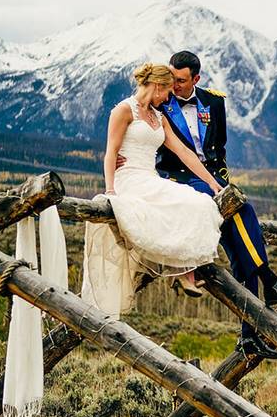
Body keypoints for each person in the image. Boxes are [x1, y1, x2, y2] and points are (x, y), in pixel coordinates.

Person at [155, 50, 277, 360]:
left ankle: (249, 337)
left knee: (240, 253)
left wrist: (220, 182)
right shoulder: (160, 100)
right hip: (179, 181)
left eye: (181, 80)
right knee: (242, 211)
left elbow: (218, 149)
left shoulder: (214, 102)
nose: (175, 84)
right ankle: (271, 281)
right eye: (172, 77)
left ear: (196, 79)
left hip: (208, 178)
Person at [83, 63, 224, 316]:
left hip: (150, 177)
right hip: (128, 179)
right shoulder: (124, 111)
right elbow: (111, 152)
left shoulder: (159, 117)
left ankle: (182, 269)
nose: (170, 97)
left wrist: (213, 182)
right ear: (157, 86)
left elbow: (184, 152)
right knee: (166, 209)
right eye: (168, 91)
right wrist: (110, 189)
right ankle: (181, 271)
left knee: (199, 202)